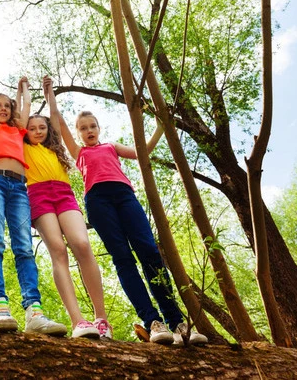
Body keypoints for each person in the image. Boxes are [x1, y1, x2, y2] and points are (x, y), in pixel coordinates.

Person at [45, 79, 207, 346]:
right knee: (123, 259)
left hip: (124, 196)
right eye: (83, 128)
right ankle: (153, 322)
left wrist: (159, 126)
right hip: (98, 202)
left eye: (92, 126)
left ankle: (178, 322)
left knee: (149, 252)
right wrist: (51, 94)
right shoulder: (78, 152)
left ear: (99, 128)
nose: (89, 131)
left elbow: (142, 150)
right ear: (78, 133)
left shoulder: (111, 146)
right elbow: (58, 123)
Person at [18, 76, 112, 339]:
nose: (38, 131)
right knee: (58, 250)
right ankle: (78, 321)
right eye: (32, 128)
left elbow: (55, 116)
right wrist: (22, 92)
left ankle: (101, 318)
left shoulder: (55, 148)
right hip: (38, 194)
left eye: (41, 127)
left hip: (63, 194)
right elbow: (18, 116)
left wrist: (50, 95)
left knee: (81, 244)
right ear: (25, 131)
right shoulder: (23, 147)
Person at [0, 76, 67, 336]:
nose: (4, 109)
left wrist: (23, 88)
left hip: (19, 188)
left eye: (7, 105)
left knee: (24, 248)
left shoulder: (18, 129)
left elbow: (26, 104)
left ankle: (34, 312)